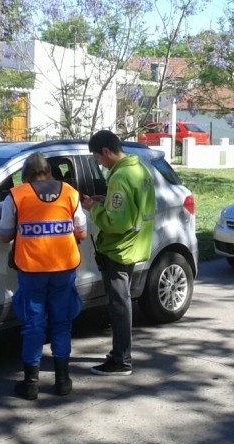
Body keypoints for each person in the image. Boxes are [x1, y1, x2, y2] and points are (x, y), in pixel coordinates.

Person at [0, 153, 88, 400]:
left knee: (33, 324)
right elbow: (82, 231)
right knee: (62, 323)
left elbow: (5, 235)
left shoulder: (16, 196)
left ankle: (30, 384)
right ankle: (62, 381)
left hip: (32, 270)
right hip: (64, 269)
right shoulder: (70, 192)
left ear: (26, 176)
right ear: (50, 173)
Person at [80, 130, 155, 376]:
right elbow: (131, 208)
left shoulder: (120, 177)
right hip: (136, 244)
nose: (99, 164)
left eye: (98, 159)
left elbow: (115, 222)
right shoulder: (139, 169)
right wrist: (105, 199)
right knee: (122, 303)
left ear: (105, 152)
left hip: (118, 249)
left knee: (119, 306)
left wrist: (93, 209)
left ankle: (121, 360)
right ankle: (120, 355)